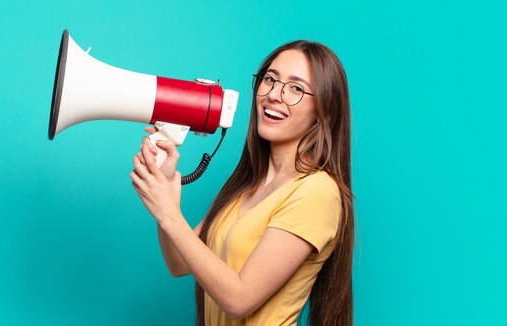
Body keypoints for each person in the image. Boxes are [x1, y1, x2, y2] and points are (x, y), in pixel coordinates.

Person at [130, 40, 354, 326]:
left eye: (296, 88)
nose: (274, 94)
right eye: (270, 79)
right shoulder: (247, 185)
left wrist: (168, 214)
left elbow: (239, 299)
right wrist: (164, 195)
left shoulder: (317, 192)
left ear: (326, 111)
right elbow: (178, 262)